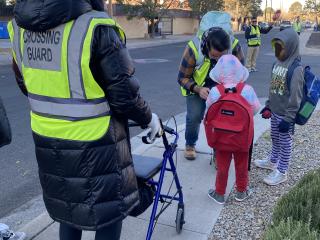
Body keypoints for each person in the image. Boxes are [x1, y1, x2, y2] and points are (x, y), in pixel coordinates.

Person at [8, 0, 161, 240]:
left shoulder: (18, 28)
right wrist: (149, 118)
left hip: (47, 137)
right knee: (109, 214)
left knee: (70, 210)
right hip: (96, 142)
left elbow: (24, 83)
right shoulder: (95, 26)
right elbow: (124, 96)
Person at [178, 27, 245, 160]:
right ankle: (190, 144)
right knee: (195, 116)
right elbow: (182, 77)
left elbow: (240, 73)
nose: (218, 60)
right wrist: (198, 89)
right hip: (197, 87)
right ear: (205, 47)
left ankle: (218, 151)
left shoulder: (235, 47)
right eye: (214, 56)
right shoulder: (193, 48)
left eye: (222, 56)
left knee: (222, 120)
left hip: (223, 88)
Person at [205, 55, 260, 204]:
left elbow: (208, 113)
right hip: (242, 135)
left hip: (222, 137)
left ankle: (219, 193)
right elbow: (255, 109)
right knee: (241, 163)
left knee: (222, 165)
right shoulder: (247, 90)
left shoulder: (215, 91)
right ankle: (241, 191)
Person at [255, 29, 304, 186]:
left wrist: (289, 119)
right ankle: (272, 161)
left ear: (290, 47)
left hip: (285, 115)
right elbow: (273, 88)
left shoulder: (296, 68)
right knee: (275, 138)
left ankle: (282, 171)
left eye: (280, 48)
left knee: (285, 142)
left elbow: (296, 97)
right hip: (275, 111)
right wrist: (268, 106)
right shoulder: (276, 64)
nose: (278, 51)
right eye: (276, 47)